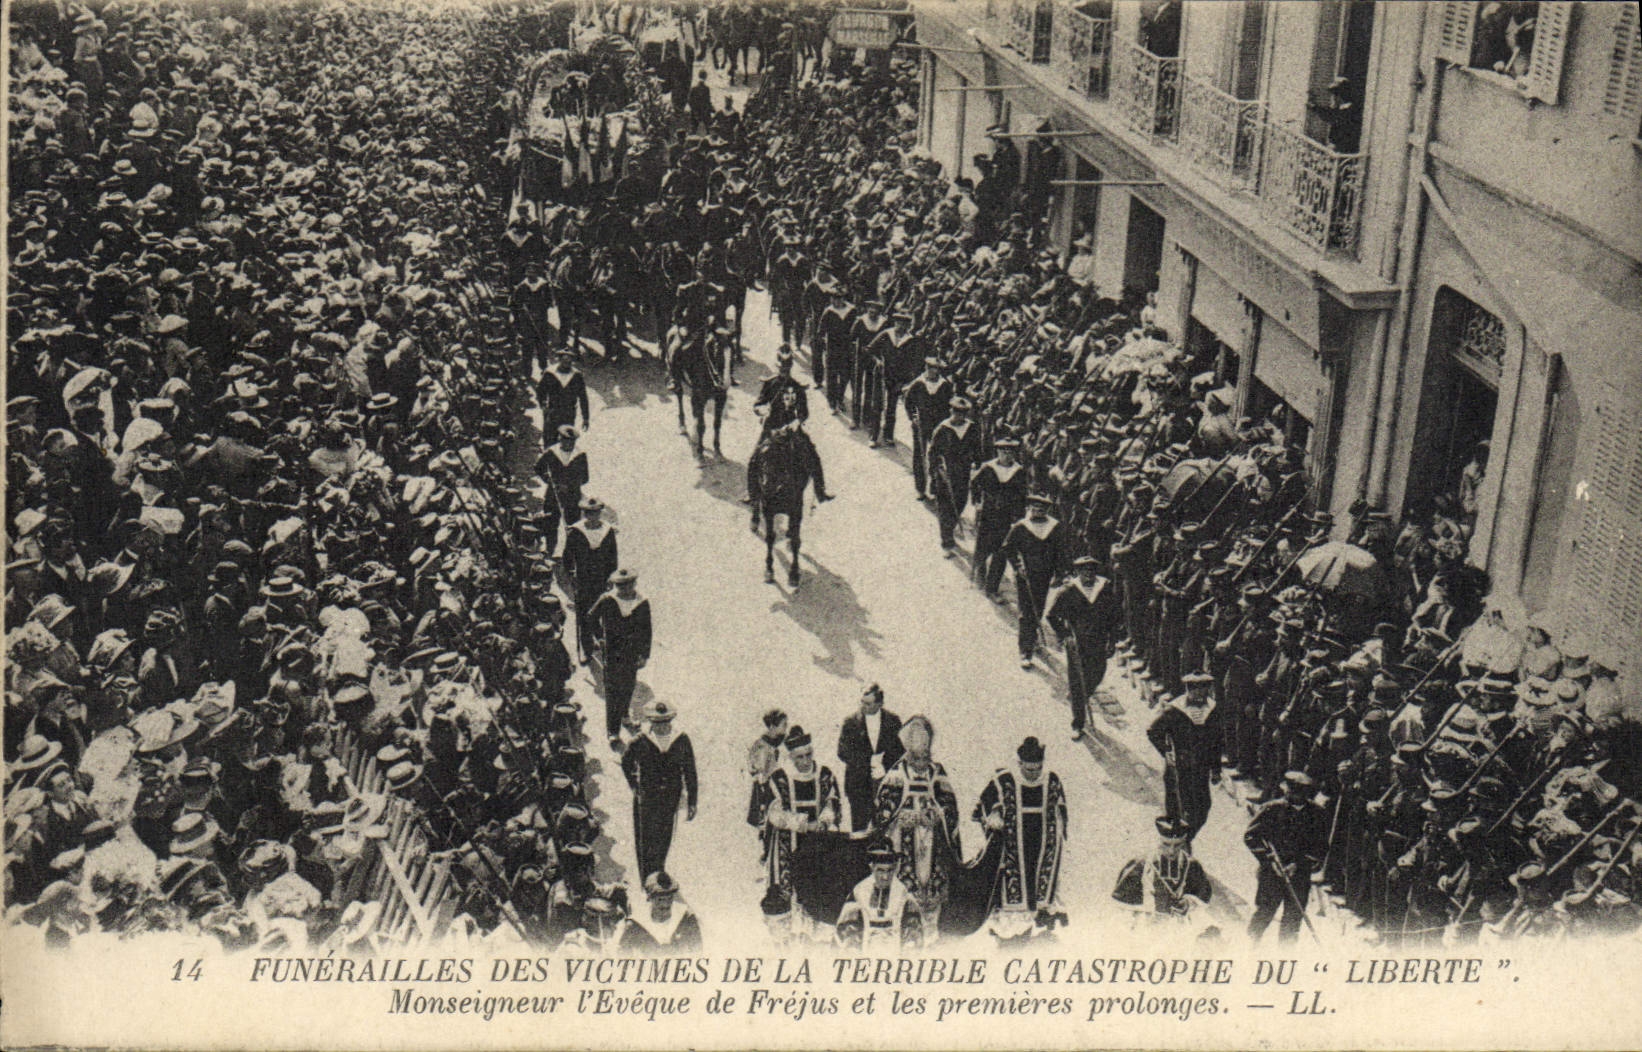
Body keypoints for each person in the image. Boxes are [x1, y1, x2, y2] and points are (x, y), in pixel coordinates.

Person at [872, 715, 960, 939]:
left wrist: (936, 816)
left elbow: (949, 805)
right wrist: (904, 817)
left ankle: (930, 933)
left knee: (931, 889)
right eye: (916, 744)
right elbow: (883, 811)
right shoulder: (897, 773)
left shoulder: (937, 771)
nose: (920, 752)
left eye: (924, 745)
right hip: (903, 840)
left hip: (932, 841)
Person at [973, 736, 1068, 937]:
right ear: (1020, 764)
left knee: (1039, 879)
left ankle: (1040, 915)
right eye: (1028, 769)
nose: (1033, 774)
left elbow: (1060, 805)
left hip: (1042, 842)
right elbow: (987, 800)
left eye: (1037, 769)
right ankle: (1011, 926)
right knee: (1014, 881)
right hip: (1013, 843)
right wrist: (995, 813)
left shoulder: (1051, 779)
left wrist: (1059, 823)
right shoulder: (1005, 780)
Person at [762, 725, 841, 912]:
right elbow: (774, 813)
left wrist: (824, 821)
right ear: (791, 757)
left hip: (819, 843)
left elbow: (833, 801)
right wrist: (805, 825)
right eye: (800, 757)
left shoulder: (824, 774)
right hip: (787, 843)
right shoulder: (778, 778)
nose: (806, 761)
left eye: (808, 755)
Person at [620, 701, 698, 886]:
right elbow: (626, 761)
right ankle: (647, 879)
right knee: (646, 839)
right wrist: (634, 784)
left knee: (664, 836)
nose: (662, 726)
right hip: (647, 798)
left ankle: (659, 871)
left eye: (665, 722)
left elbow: (690, 771)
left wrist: (692, 801)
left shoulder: (682, 740)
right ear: (651, 722)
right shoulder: (640, 740)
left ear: (671, 721)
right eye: (657, 723)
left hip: (670, 798)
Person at [1046, 554, 1123, 738]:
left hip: (1099, 641)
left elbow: (1115, 618)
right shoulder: (1068, 591)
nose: (1088, 574)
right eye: (1084, 570)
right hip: (1077, 644)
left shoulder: (1105, 590)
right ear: (1078, 572)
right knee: (1077, 680)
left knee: (1097, 674)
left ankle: (1079, 697)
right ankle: (1078, 723)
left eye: (1091, 570)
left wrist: (1112, 641)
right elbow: (1051, 616)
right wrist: (1065, 636)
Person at [1245, 770, 1327, 943]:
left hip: (1299, 877)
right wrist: (1269, 859)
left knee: (1292, 921)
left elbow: (1321, 847)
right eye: (1290, 792)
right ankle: (1248, 949)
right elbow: (1251, 836)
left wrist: (1298, 864)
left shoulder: (1317, 814)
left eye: (1298, 794)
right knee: (1263, 914)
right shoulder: (1272, 809)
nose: (1292, 796)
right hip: (1271, 874)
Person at [1146, 673, 1223, 843]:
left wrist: (1216, 770)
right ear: (1188, 689)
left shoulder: (1213, 709)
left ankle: (1186, 839)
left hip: (1201, 768)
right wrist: (1167, 752)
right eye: (1194, 688)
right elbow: (1153, 731)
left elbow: (1217, 741)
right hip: (1178, 770)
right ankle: (1178, 844)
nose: (1199, 692)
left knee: (1203, 809)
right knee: (1179, 811)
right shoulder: (1174, 709)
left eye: (1203, 687)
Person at [1001, 494, 1072, 669]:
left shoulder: (1054, 527)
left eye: (1041, 509)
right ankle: (1025, 651)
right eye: (1034, 508)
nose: (1037, 512)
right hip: (1026, 576)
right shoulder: (1020, 527)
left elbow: (1059, 550)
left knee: (1037, 609)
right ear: (1029, 509)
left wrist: (1059, 573)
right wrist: (1018, 567)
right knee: (1026, 612)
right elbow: (1008, 548)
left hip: (1044, 574)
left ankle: (1032, 639)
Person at [587, 569, 652, 749]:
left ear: (634, 584)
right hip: (612, 654)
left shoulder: (642, 603)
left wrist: (645, 655)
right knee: (613, 691)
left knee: (628, 685)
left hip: (632, 654)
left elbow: (647, 630)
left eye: (629, 585)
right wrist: (599, 638)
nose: (625, 589)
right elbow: (591, 618)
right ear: (615, 586)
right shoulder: (607, 600)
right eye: (621, 586)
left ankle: (625, 716)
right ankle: (613, 731)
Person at [1112, 815, 1213, 923]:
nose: (1171, 851)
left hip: (1178, 926)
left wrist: (1188, 903)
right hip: (1146, 925)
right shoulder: (1141, 864)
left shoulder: (1191, 865)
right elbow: (1122, 902)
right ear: (1158, 840)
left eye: (1178, 845)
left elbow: (1202, 892)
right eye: (1166, 844)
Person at [837, 684, 904, 834]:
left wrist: (885, 767)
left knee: (885, 833)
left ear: (879, 704)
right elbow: (842, 751)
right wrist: (868, 761)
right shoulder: (850, 722)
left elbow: (900, 750)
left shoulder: (893, 721)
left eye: (868, 704)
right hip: (858, 787)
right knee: (860, 834)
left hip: (886, 787)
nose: (863, 706)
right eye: (862, 702)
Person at [970, 437, 1030, 599]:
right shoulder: (988, 468)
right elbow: (974, 483)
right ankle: (979, 574)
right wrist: (977, 502)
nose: (1007, 454)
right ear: (998, 451)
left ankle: (992, 588)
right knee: (982, 547)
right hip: (987, 515)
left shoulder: (1019, 472)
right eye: (1004, 451)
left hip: (1007, 517)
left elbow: (1023, 496)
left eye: (1010, 452)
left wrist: (1019, 518)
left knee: (1001, 552)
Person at [562, 497, 619, 664]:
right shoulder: (576, 531)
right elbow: (568, 556)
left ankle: (601, 640)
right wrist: (571, 574)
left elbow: (613, 557)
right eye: (589, 513)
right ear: (584, 514)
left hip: (602, 579)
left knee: (601, 611)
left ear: (600, 513)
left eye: (595, 513)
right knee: (584, 613)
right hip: (583, 580)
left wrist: (611, 577)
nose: (592, 517)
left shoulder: (607, 532)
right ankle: (587, 648)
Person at [835, 843, 923, 950]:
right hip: (866, 942)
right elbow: (847, 926)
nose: (885, 877)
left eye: (890, 871)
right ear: (872, 868)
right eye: (880, 870)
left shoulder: (902, 891)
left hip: (895, 942)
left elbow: (913, 926)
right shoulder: (860, 891)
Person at [927, 396, 984, 557]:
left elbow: (977, 448)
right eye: (957, 412)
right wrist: (935, 471)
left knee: (960, 503)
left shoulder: (971, 428)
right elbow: (932, 453)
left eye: (963, 413)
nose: (960, 416)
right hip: (945, 474)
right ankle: (947, 542)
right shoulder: (942, 429)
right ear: (951, 411)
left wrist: (978, 465)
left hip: (964, 473)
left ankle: (950, 529)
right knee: (945, 507)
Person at [901, 357, 953, 502]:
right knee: (919, 455)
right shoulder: (918, 383)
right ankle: (920, 488)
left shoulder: (945, 385)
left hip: (938, 425)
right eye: (929, 368)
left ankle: (935, 486)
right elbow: (908, 402)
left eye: (935, 368)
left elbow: (950, 406)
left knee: (936, 455)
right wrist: (913, 417)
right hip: (921, 425)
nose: (931, 371)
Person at [617, 871, 702, 954]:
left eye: (669, 898)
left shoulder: (686, 918)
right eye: (660, 899)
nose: (665, 904)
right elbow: (622, 955)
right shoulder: (635, 924)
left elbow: (698, 951)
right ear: (649, 898)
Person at [536, 426, 589, 556]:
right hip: (553, 495)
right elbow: (538, 467)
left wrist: (570, 486)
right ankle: (549, 550)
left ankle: (569, 558)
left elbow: (585, 478)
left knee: (572, 527)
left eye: (571, 441)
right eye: (565, 441)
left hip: (572, 497)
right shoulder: (551, 452)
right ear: (560, 439)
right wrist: (548, 479)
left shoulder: (580, 455)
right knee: (550, 524)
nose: (568, 444)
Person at [746, 708, 788, 831]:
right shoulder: (762, 746)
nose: (786, 727)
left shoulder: (780, 742)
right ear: (772, 726)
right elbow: (759, 771)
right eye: (783, 725)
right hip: (766, 790)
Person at [538, 346, 591, 435]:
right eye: (564, 360)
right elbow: (541, 390)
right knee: (549, 438)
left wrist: (586, 418)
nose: (567, 363)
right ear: (559, 360)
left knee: (566, 440)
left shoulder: (576, 375)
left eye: (569, 361)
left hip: (569, 413)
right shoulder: (550, 373)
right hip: (552, 412)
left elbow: (583, 397)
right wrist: (543, 404)